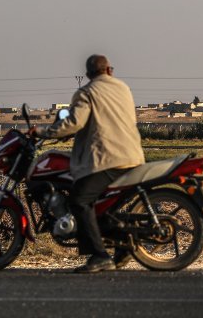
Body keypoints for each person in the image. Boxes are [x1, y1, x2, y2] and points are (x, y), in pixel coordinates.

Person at [33, 54, 145, 273]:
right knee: (97, 206)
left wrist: (41, 131)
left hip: (109, 159)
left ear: (88, 75)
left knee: (79, 201)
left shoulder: (87, 93)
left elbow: (74, 123)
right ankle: (119, 243)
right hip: (133, 156)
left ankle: (100, 255)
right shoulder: (123, 88)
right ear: (109, 70)